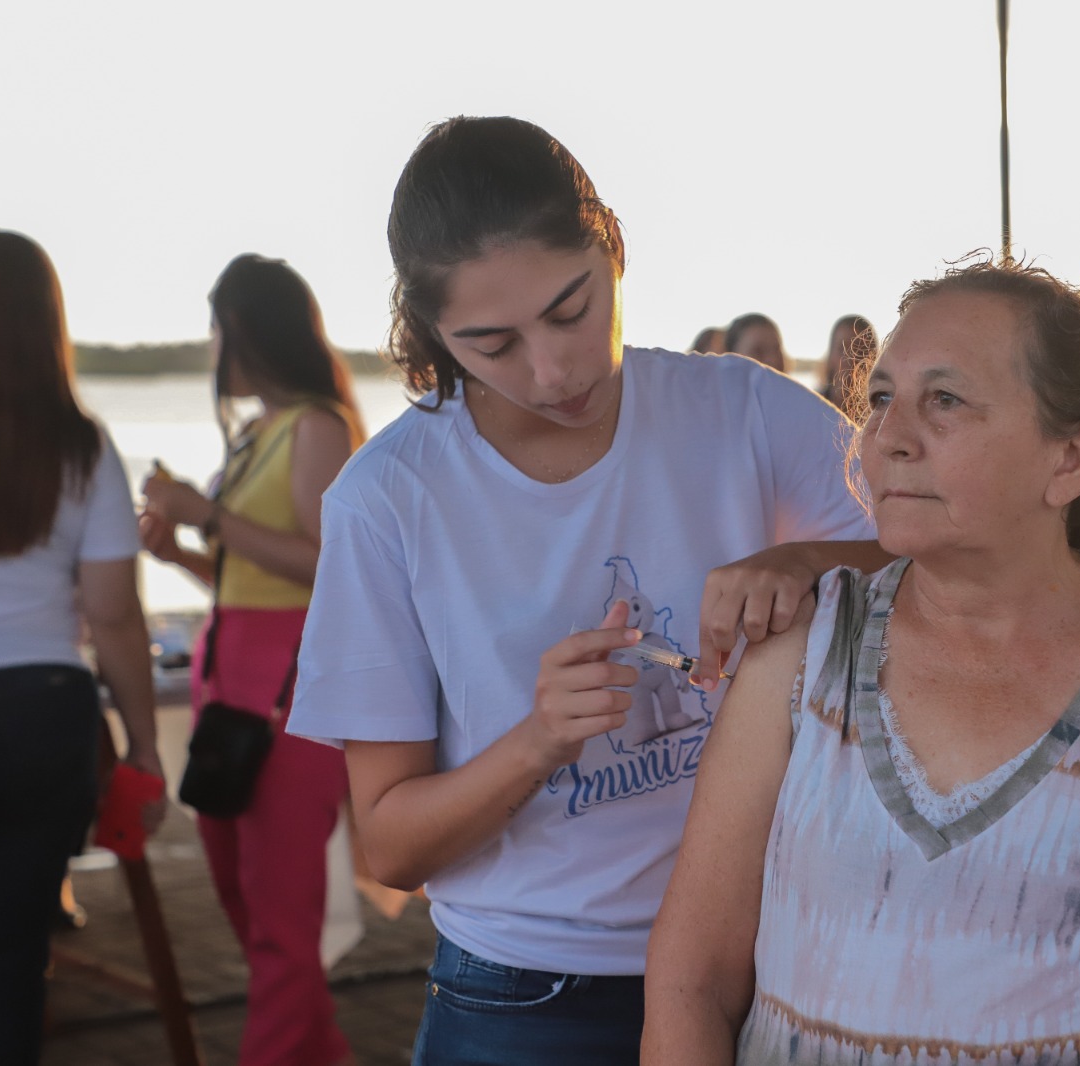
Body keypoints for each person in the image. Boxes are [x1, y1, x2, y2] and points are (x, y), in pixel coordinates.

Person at [283, 115, 880, 1065]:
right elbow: (389, 848)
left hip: (772, 959)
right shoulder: (387, 500)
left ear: (614, 248)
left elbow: (948, 559)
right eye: (492, 344)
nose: (554, 371)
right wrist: (539, 739)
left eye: (571, 309)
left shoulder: (741, 408)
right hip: (526, 998)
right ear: (429, 333)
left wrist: (807, 563)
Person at [644, 260, 1080, 1065]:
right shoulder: (801, 657)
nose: (889, 437)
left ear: (1070, 458)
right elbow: (693, 981)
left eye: (944, 400)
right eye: (880, 399)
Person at [0, 230, 164, 1064]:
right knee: (6, 967)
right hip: (41, 716)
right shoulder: (82, 442)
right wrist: (142, 744)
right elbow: (114, 616)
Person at [139, 254, 364, 1066]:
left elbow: (331, 567)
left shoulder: (317, 426)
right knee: (240, 895)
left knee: (279, 915)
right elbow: (254, 579)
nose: (210, 350)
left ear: (249, 332)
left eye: (217, 330)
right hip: (226, 679)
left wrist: (208, 516)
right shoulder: (257, 432)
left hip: (288, 695)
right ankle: (321, 1051)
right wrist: (181, 556)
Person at [820, 313, 877, 408]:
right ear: (831, 355)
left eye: (859, 350)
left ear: (873, 358)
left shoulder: (881, 412)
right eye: (842, 349)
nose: (850, 358)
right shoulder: (811, 405)